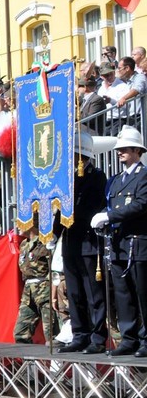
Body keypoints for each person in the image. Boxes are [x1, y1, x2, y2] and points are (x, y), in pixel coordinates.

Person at [91, 126, 147, 357]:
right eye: (119, 149)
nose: (120, 152)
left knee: (142, 293)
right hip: (117, 243)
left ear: (137, 151)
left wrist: (110, 216)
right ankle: (129, 338)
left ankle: (145, 339)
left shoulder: (144, 176)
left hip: (137, 242)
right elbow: (110, 205)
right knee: (123, 294)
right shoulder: (115, 180)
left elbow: (141, 204)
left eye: (125, 149)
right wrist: (104, 218)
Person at [56, 131, 108, 354]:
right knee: (74, 292)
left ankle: (97, 337)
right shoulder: (66, 178)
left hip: (88, 241)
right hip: (70, 242)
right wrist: (55, 234)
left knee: (93, 292)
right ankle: (80, 334)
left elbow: (90, 207)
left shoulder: (96, 177)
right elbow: (61, 209)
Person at [13, 220, 56, 345]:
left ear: (31, 223)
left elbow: (53, 267)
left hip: (44, 289)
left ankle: (56, 359)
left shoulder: (45, 241)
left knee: (51, 334)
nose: (17, 226)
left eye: (20, 222)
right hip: (28, 292)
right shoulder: (24, 244)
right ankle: (27, 357)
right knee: (20, 333)